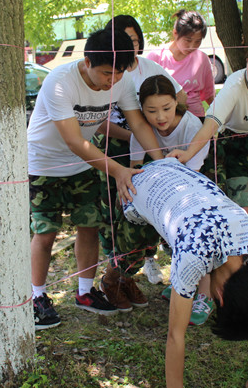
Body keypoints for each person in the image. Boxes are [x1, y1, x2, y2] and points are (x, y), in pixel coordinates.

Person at [111, 158, 248, 388]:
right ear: (220, 297)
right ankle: (111, 277)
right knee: (127, 259)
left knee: (164, 241)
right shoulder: (194, 257)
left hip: (178, 172)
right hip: (135, 186)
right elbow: (175, 336)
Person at [27, 28, 165, 330]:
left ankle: (85, 292)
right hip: (42, 165)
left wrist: (163, 160)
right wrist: (118, 170)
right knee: (45, 232)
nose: (111, 82)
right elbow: (74, 140)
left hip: (82, 165)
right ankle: (37, 298)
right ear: (87, 61)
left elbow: (138, 124)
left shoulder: (122, 80)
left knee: (88, 226)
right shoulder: (60, 83)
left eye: (117, 74)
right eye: (105, 74)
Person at [101, 75, 211, 322]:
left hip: (186, 192)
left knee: (194, 238)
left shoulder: (192, 127)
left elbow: (191, 175)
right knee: (132, 227)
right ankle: (115, 279)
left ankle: (200, 294)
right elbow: (135, 170)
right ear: (141, 110)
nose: (160, 117)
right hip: (152, 193)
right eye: (151, 111)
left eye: (167, 108)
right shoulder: (140, 129)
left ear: (177, 102)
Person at [170, 39, 248, 248]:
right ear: (246, 61)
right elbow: (210, 124)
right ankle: (244, 262)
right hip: (234, 145)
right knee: (243, 210)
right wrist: (187, 153)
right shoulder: (235, 86)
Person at [95, 15, 185, 285]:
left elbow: (178, 96)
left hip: (147, 147)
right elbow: (100, 125)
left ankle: (148, 259)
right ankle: (116, 269)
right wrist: (132, 133)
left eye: (134, 41)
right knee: (114, 207)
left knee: (145, 205)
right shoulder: (106, 73)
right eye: (123, 41)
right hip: (114, 149)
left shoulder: (150, 67)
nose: (130, 47)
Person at [146, 9, 215, 119]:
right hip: (166, 120)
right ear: (175, 33)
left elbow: (209, 95)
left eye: (198, 41)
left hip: (196, 118)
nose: (192, 46)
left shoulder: (202, 59)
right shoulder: (156, 57)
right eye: (188, 40)